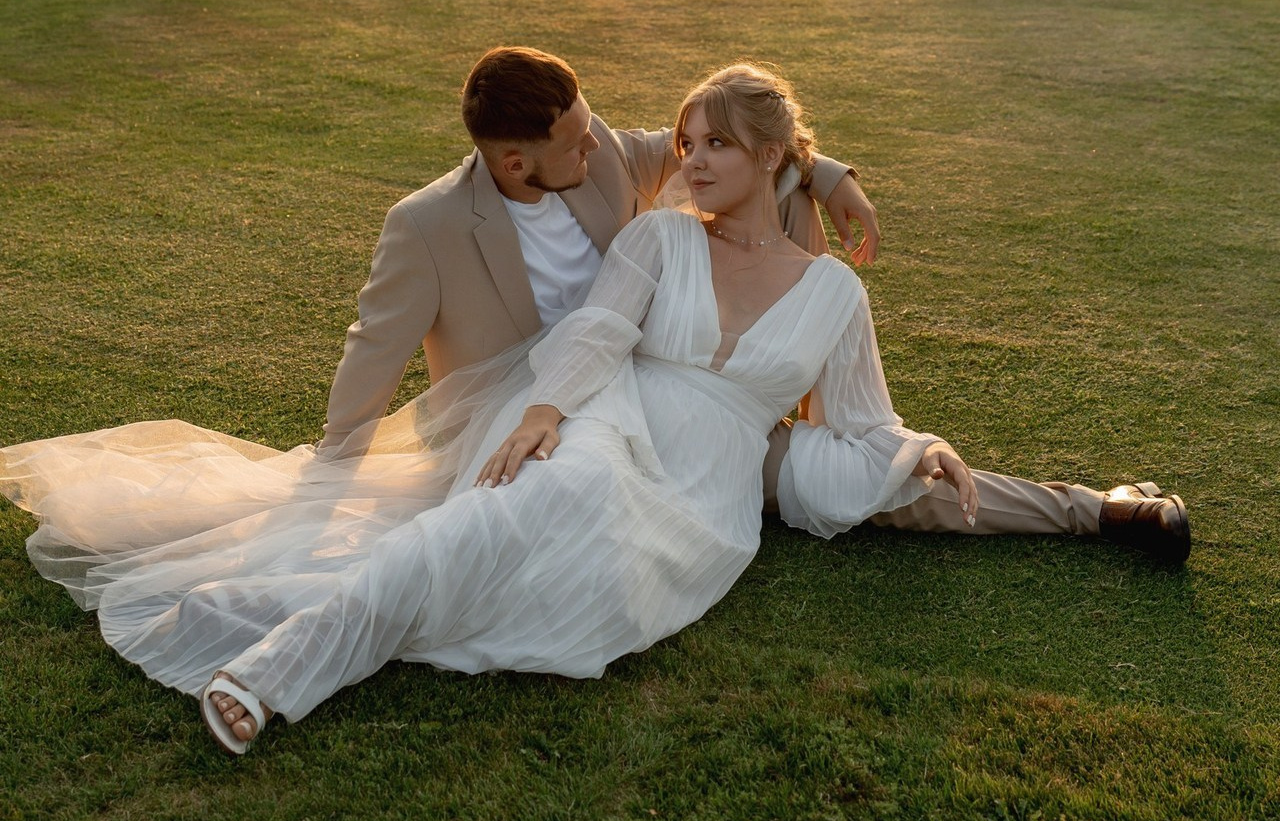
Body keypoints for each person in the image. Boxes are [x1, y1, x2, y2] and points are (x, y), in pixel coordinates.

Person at [0, 64, 1188, 759]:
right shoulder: (661, 230)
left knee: (894, 490)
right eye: (684, 143)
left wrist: (915, 440)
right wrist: (542, 408)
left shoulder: (829, 290)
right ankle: (274, 664)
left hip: (718, 476)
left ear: (769, 155)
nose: (683, 157)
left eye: (714, 145)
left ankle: (1097, 512)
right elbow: (598, 329)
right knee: (505, 513)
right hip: (602, 413)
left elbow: (869, 423)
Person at [316, 46, 878, 461]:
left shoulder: (599, 151)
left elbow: (737, 146)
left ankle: (818, 407)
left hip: (642, 384)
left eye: (589, 127)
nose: (593, 142)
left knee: (789, 199)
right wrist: (336, 465)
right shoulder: (426, 224)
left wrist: (828, 178)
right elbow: (375, 348)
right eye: (576, 141)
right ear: (515, 165)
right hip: (521, 411)